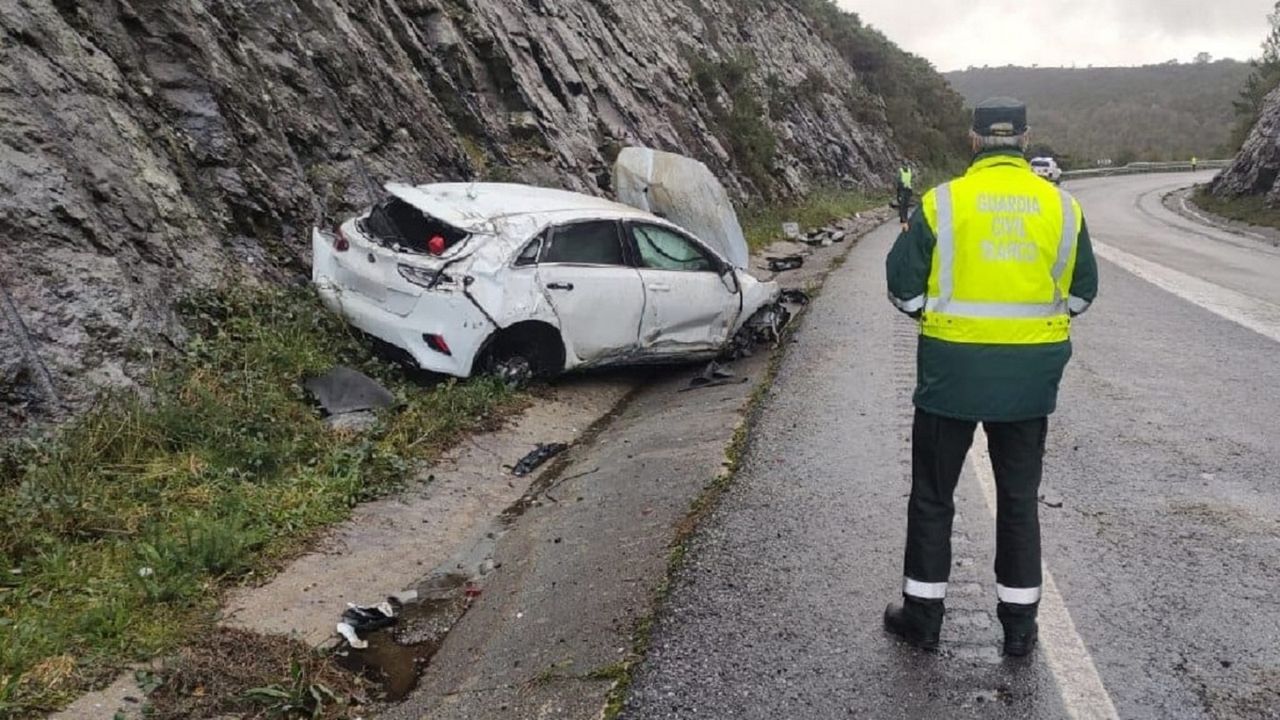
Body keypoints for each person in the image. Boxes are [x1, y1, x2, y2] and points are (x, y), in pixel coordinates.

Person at [882, 97, 1099, 657]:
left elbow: (903, 289)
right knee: (1019, 501)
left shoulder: (942, 203)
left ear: (973, 141)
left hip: (949, 377)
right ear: (1025, 140)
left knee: (933, 496)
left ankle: (924, 618)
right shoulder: (1063, 209)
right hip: (1028, 385)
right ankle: (1021, 631)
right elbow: (1080, 294)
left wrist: (937, 315)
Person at [896, 164, 915, 229]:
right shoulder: (900, 171)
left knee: (906, 204)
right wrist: (899, 190)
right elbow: (898, 180)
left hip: (908, 189)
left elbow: (911, 180)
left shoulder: (909, 171)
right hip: (902, 189)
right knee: (902, 204)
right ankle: (903, 218)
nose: (906, 167)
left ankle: (905, 217)